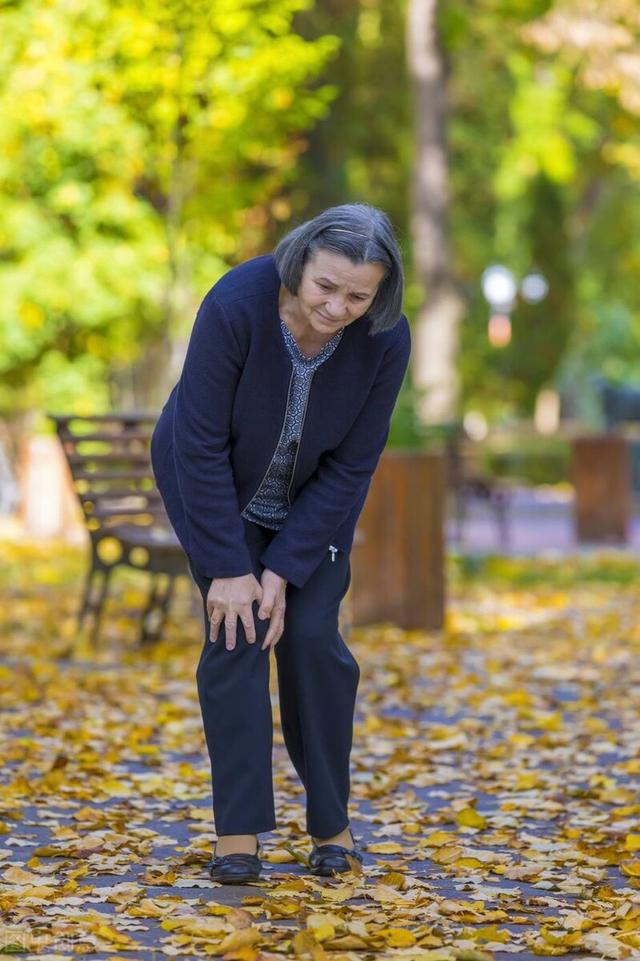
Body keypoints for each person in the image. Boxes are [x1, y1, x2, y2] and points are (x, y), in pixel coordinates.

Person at [151, 203, 411, 884]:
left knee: (313, 640)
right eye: (327, 287)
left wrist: (287, 568)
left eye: (359, 294)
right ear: (300, 266)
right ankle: (238, 834)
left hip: (312, 507)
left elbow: (354, 462)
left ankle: (333, 824)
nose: (338, 307)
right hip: (214, 485)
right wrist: (230, 569)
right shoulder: (237, 303)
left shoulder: (384, 336)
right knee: (236, 631)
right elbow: (199, 443)